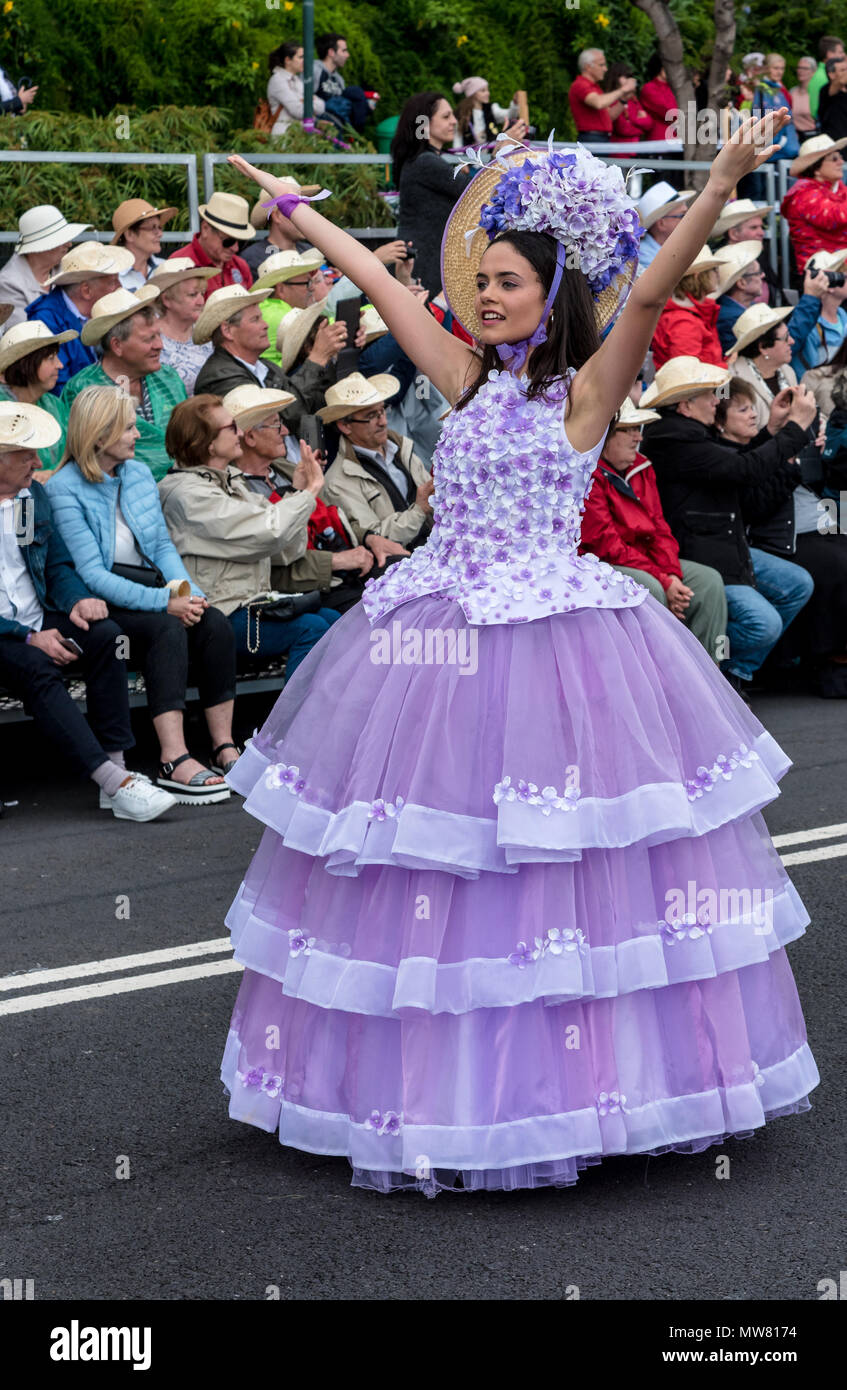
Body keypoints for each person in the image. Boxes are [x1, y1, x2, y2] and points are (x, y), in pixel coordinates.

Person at [218, 109, 819, 1197]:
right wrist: (293, 208)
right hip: (442, 622)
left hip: (557, 633)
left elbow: (645, 292)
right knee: (433, 861)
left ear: (550, 295)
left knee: (564, 865)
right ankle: (436, 1087)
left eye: (506, 281)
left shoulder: (585, 393)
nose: (485, 296)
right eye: (478, 280)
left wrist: (723, 172)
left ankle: (590, 1088)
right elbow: (381, 282)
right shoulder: (461, 375)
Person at [47, 385, 235, 800]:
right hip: (106, 602)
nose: (138, 435)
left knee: (214, 623)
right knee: (166, 628)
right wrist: (166, 604)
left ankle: (224, 747)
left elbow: (161, 547)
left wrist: (189, 594)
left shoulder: (136, 473)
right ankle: (174, 756)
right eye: (129, 428)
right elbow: (92, 575)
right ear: (99, 436)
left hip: (152, 587)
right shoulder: (63, 488)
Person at [0, 399, 175, 821]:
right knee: (36, 666)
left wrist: (77, 599)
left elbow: (55, 565)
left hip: (36, 618)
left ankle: (117, 768)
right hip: (8, 634)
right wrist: (27, 636)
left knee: (108, 637)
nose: (37, 461)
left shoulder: (29, 498)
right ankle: (112, 782)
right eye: (24, 454)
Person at [640, 356, 816, 695]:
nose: (716, 400)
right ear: (685, 405)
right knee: (763, 624)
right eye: (708, 395)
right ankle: (710, 666)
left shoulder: (690, 434)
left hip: (725, 548)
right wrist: (794, 430)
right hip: (702, 557)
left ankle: (733, 670)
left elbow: (738, 468)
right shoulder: (675, 440)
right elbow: (744, 470)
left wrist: (775, 431)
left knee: (796, 584)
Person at [158, 394, 340, 674]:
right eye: (232, 428)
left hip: (252, 603)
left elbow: (284, 550)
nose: (241, 433)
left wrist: (296, 491)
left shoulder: (231, 481)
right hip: (218, 614)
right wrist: (309, 490)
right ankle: (295, 718)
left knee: (336, 620)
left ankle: (333, 715)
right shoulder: (185, 494)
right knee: (311, 629)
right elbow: (268, 531)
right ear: (205, 442)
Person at [715, 375, 847, 690]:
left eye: (752, 408)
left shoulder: (757, 443)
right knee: (834, 567)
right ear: (720, 422)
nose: (752, 414)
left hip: (812, 521)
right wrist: (791, 461)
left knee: (838, 552)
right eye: (743, 409)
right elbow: (756, 504)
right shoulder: (722, 453)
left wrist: (818, 453)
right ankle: (823, 661)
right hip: (770, 537)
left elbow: (822, 485)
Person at [579, 396, 727, 660]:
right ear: (606, 436)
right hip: (602, 564)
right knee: (651, 588)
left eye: (639, 429)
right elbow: (606, 545)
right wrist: (663, 580)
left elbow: (660, 528)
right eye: (629, 430)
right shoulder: (589, 473)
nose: (638, 438)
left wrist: (672, 574)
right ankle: (658, 678)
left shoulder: (642, 466)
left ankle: (706, 676)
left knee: (709, 582)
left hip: (645, 561)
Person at [222, 384, 372, 614]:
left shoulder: (286, 469)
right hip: (303, 587)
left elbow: (330, 515)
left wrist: (371, 538)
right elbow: (270, 561)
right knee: (364, 613)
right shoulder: (236, 490)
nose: (284, 431)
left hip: (341, 570)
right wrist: (335, 561)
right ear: (250, 436)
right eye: (275, 425)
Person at [62, 287, 187, 483]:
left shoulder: (168, 377)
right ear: (117, 345)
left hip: (184, 483)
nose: (160, 345)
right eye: (148, 339)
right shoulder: (83, 388)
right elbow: (83, 455)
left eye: (158, 336)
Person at [192, 284, 335, 434]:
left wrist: (330, 357)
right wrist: (317, 358)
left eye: (262, 318)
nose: (265, 325)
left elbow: (316, 407)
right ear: (227, 331)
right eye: (255, 319)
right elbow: (280, 421)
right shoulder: (220, 376)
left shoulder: (266, 366)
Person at [319, 371, 434, 557]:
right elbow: (377, 537)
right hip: (401, 565)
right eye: (371, 415)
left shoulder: (400, 447)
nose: (383, 421)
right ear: (344, 426)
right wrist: (419, 510)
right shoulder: (337, 482)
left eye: (382, 410)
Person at [391, 92, 474, 298]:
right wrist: (502, 152)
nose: (454, 121)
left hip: (424, 260)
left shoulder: (420, 160)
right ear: (424, 124)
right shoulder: (425, 162)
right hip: (425, 266)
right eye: (446, 117)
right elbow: (475, 190)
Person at [26, 242, 134, 393]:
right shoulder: (46, 321)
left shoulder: (100, 312)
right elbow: (59, 388)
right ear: (86, 291)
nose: (120, 287)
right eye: (113, 282)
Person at [715, 251, 827, 356]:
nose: (763, 275)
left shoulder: (748, 308)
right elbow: (778, 350)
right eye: (758, 272)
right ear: (742, 283)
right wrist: (811, 297)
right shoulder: (729, 318)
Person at [0, 320, 76, 474]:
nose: (60, 365)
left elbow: (72, 453)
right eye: (50, 358)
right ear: (25, 363)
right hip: (14, 495)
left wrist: (53, 475)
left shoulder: (55, 405)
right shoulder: (3, 409)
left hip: (55, 490)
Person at [0, 205, 91, 330]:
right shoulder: (9, 283)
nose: (69, 244)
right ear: (39, 248)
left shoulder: (66, 268)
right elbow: (24, 335)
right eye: (60, 240)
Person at [147, 259, 216, 394]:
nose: (201, 301)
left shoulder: (207, 332)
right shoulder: (150, 336)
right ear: (167, 299)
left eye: (202, 293)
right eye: (192, 295)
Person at [781, 135, 847, 275]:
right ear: (815, 168)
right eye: (834, 159)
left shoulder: (839, 188)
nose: (841, 162)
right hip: (819, 275)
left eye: (840, 157)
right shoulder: (803, 194)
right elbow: (833, 217)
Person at [167, 192, 254, 297]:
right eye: (228, 241)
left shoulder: (241, 266)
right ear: (205, 229)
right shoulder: (179, 264)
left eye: (241, 242)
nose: (235, 248)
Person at [650, 247, 725, 369]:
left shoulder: (691, 314)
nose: (718, 274)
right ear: (698, 276)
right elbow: (687, 376)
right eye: (714, 269)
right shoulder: (684, 322)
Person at [242, 177, 321, 276]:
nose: (305, 216)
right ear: (277, 216)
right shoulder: (253, 258)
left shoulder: (310, 250)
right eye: (296, 210)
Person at [790, 250, 847, 376]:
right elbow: (808, 373)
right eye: (845, 277)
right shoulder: (809, 326)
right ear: (830, 284)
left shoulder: (843, 316)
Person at [568, 49, 634, 144]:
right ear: (588, 67)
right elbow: (599, 103)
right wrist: (623, 89)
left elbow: (610, 115)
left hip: (599, 138)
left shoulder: (594, 87)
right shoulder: (580, 84)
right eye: (601, 65)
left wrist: (623, 99)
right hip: (591, 139)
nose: (605, 69)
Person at [111, 199, 177, 292]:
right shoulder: (111, 276)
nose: (160, 234)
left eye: (159, 227)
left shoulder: (166, 268)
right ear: (130, 235)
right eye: (152, 228)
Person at [313, 32, 372, 133]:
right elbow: (302, 99)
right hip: (318, 130)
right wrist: (315, 122)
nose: (347, 55)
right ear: (331, 52)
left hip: (336, 130)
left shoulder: (339, 79)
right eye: (344, 51)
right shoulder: (315, 70)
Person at [267, 41, 325, 137]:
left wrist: (305, 102)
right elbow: (298, 111)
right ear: (288, 60)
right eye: (301, 57)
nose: (305, 60)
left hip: (300, 134)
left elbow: (321, 106)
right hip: (284, 135)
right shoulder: (278, 80)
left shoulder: (296, 80)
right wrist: (309, 101)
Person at [635, 182, 696, 272]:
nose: (688, 220)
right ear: (661, 224)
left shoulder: (655, 252)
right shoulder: (644, 256)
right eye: (682, 216)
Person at [452, 77, 520, 147]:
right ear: (473, 94)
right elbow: (457, 140)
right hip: (468, 156)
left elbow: (510, 115)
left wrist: (514, 104)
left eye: (488, 90)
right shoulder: (462, 114)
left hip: (491, 155)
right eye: (483, 91)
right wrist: (458, 156)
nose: (488, 93)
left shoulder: (491, 109)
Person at [604, 62, 652, 144]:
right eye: (626, 77)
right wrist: (639, 120)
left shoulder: (633, 100)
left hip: (636, 150)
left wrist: (632, 120)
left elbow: (649, 124)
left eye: (631, 77)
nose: (630, 80)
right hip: (620, 151)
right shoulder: (610, 100)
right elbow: (623, 129)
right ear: (615, 78)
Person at [640, 53, 679, 141]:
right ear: (661, 68)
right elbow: (668, 111)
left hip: (677, 139)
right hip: (660, 139)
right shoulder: (649, 88)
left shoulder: (673, 88)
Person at [807, 35, 846, 123]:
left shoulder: (819, 74)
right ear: (829, 54)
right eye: (840, 52)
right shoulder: (822, 76)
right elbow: (816, 111)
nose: (843, 55)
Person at [817, 52, 847, 143]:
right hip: (834, 145)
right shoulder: (826, 90)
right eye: (843, 70)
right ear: (831, 74)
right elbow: (840, 81)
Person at [790, 56, 819, 135]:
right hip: (794, 138)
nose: (800, 71)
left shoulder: (818, 93)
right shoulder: (792, 92)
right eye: (799, 68)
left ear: (813, 71)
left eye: (805, 68)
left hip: (813, 138)